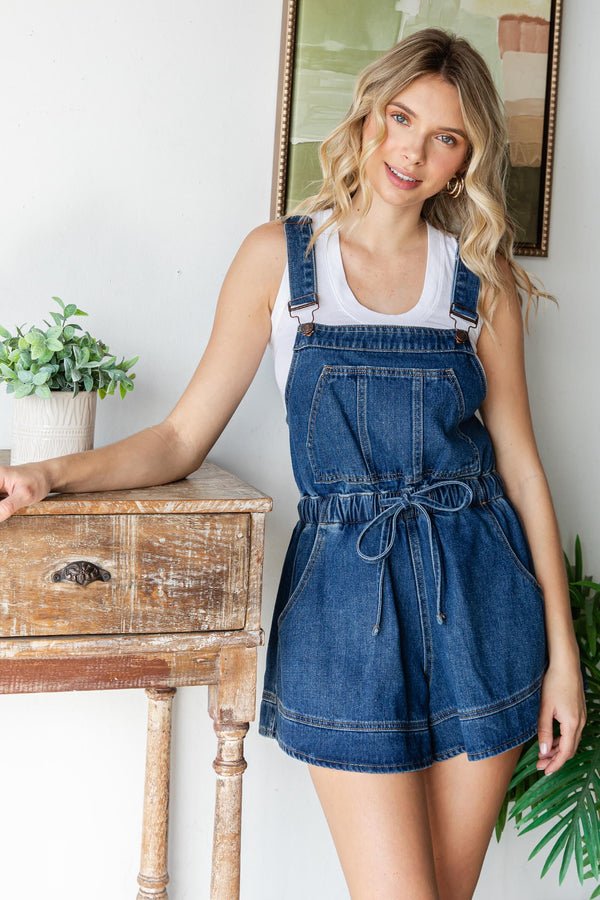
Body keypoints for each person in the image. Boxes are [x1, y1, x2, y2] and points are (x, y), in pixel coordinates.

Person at [0, 27, 587, 900]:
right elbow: (178, 439)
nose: (413, 151)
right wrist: (52, 476)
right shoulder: (281, 259)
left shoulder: (479, 279)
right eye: (402, 118)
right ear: (368, 116)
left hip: (483, 603)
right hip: (347, 616)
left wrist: (564, 658)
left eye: (446, 137)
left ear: (466, 161)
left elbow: (524, 470)